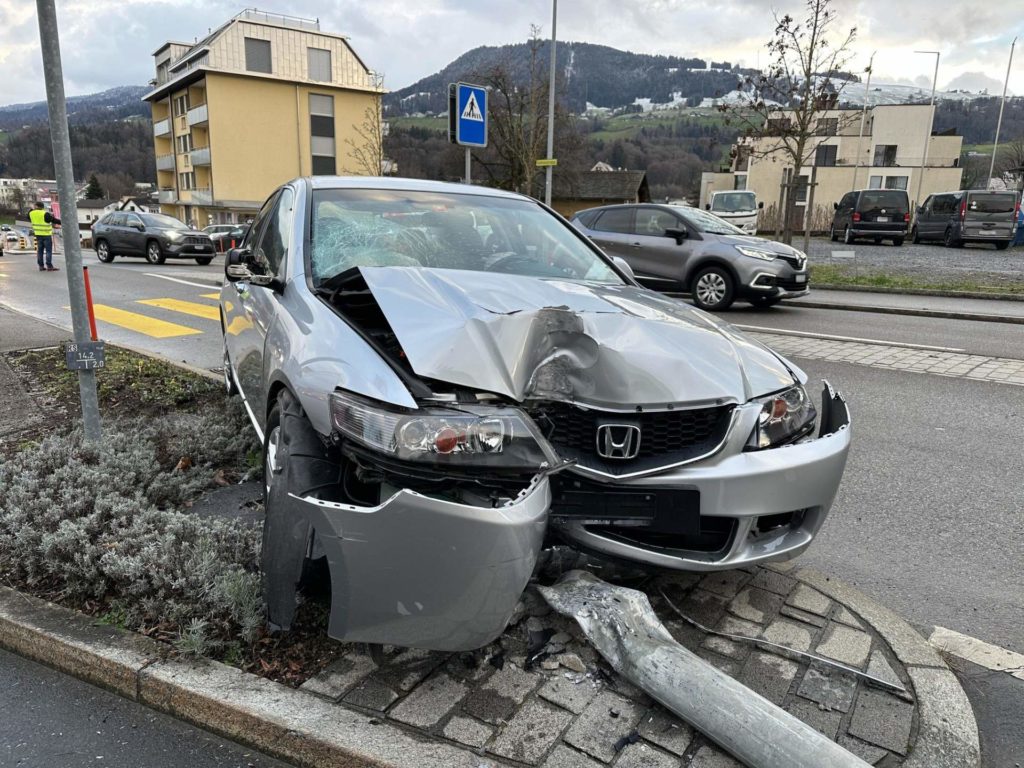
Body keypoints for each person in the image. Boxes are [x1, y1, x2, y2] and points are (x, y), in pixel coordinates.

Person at [29, 202, 60, 272]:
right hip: (46, 235)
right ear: (42, 207)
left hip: (38, 235)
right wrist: (62, 222)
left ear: (36, 206)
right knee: (48, 251)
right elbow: (53, 220)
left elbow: (28, 216)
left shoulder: (31, 213)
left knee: (40, 251)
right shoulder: (45, 214)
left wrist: (32, 209)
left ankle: (41, 266)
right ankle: (49, 266)